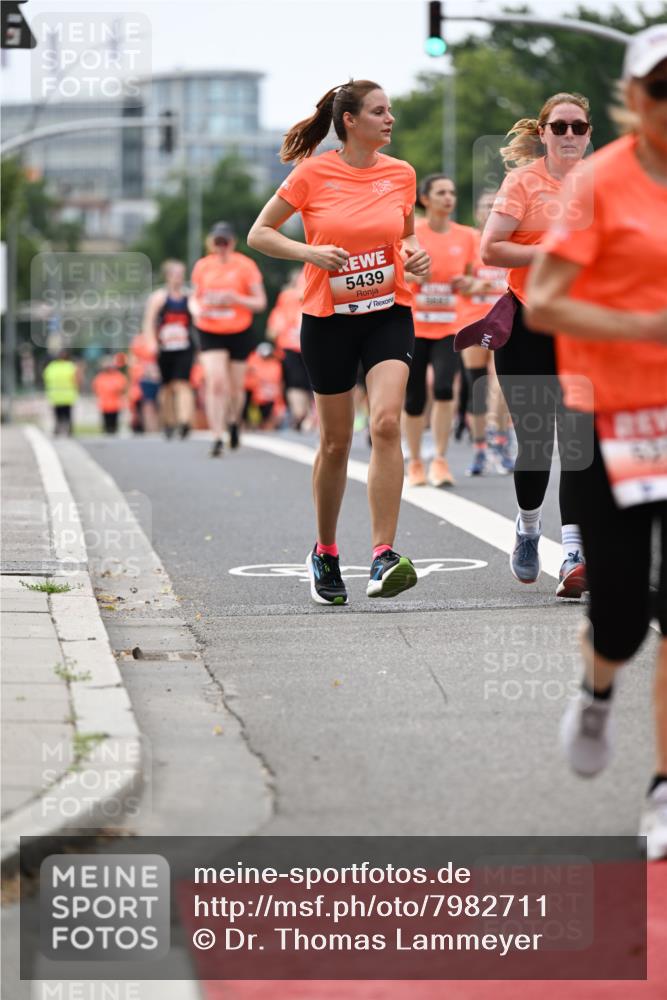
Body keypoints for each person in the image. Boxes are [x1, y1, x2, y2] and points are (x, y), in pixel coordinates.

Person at [525, 26, 667, 858]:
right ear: (634, 98)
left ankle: (662, 789)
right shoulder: (598, 182)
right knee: (618, 620)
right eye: (662, 89)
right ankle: (597, 686)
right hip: (604, 418)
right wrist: (643, 327)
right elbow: (542, 299)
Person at [248, 79, 430, 605]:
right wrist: (310, 253)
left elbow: (406, 234)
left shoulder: (401, 173)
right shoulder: (312, 173)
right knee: (335, 443)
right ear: (350, 121)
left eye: (390, 110)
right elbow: (260, 233)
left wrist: (415, 254)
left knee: (387, 422)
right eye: (379, 111)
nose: (390, 119)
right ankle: (325, 552)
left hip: (388, 312)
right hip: (329, 318)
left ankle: (383, 554)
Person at [481, 92, 593, 599]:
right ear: (543, 133)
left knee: (577, 439)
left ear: (589, 133)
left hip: (581, 327)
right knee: (535, 441)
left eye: (578, 127)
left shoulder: (602, 184)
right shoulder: (523, 182)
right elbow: (491, 249)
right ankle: (528, 528)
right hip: (527, 322)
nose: (569, 135)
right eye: (560, 127)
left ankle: (573, 553)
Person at [403, 175, 478, 488]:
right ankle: (415, 461)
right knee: (414, 396)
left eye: (452, 192)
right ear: (425, 199)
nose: (449, 198)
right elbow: (396, 272)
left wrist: (468, 283)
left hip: (450, 325)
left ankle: (440, 460)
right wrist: (414, 277)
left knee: (445, 388)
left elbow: (474, 281)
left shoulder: (467, 236)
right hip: (414, 325)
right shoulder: (412, 234)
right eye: (441, 192)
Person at [189, 222, 267, 457]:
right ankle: (216, 435)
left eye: (225, 242)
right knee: (216, 381)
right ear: (211, 243)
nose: (221, 246)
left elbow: (260, 302)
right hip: (209, 328)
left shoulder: (246, 266)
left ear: (233, 243)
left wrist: (235, 298)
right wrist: (196, 310)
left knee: (235, 386)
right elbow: (194, 297)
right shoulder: (203, 266)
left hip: (238, 330)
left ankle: (233, 421)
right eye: (217, 242)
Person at [460, 190, 514, 476]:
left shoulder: (512, 239)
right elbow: (453, 279)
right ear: (477, 212)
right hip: (472, 320)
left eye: (496, 205)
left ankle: (499, 440)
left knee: (500, 382)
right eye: (486, 205)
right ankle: (480, 447)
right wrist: (471, 284)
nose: (491, 209)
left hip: (502, 321)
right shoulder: (467, 240)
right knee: (477, 386)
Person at [142, 259, 195, 439]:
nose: (179, 278)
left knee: (183, 383)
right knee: (167, 387)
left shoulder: (189, 297)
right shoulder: (159, 298)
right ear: (168, 276)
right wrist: (151, 343)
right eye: (175, 274)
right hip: (164, 348)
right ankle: (169, 422)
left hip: (184, 346)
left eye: (181, 274)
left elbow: (198, 319)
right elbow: (149, 322)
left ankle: (184, 421)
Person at [267, 268, 313, 430]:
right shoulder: (288, 296)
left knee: (302, 383)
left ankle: (302, 414)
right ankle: (300, 414)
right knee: (299, 382)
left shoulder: (296, 295)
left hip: (301, 344)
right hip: (292, 344)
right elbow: (277, 321)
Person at [42, 348, 79, 436]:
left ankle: (58, 428)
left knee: (58, 413)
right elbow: (76, 379)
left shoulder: (51, 367)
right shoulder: (71, 366)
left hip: (56, 395)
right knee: (67, 414)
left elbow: (46, 378)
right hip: (68, 395)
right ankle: (69, 429)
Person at [91, 356, 127, 434]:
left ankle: (113, 431)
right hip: (105, 404)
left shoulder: (118, 376)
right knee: (106, 423)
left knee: (114, 423)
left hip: (115, 404)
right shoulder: (100, 377)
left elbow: (121, 388)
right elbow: (96, 388)